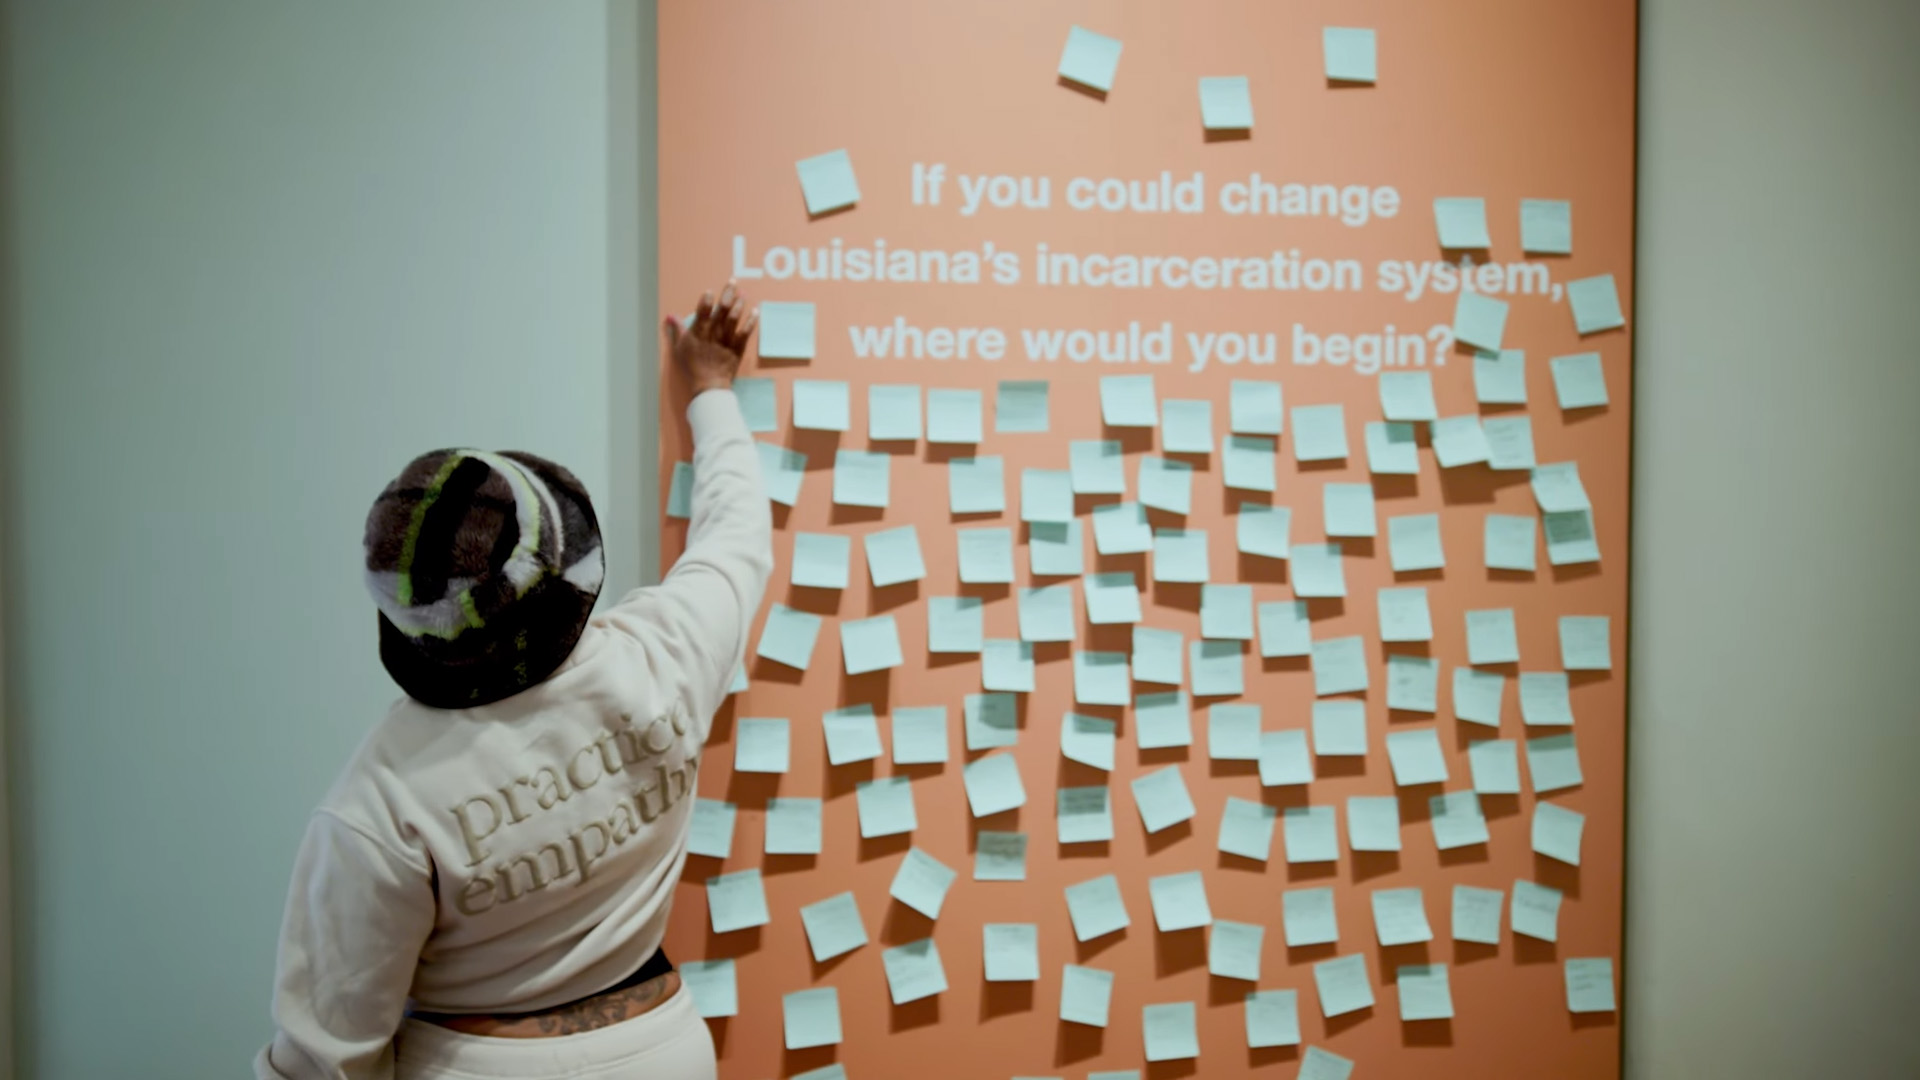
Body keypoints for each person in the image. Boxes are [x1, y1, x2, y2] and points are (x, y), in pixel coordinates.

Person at [256, 283, 772, 1080]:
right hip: (666, 1054)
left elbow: (324, 1062)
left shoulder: (377, 803)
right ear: (569, 567)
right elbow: (737, 531)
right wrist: (711, 390)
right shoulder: (663, 656)